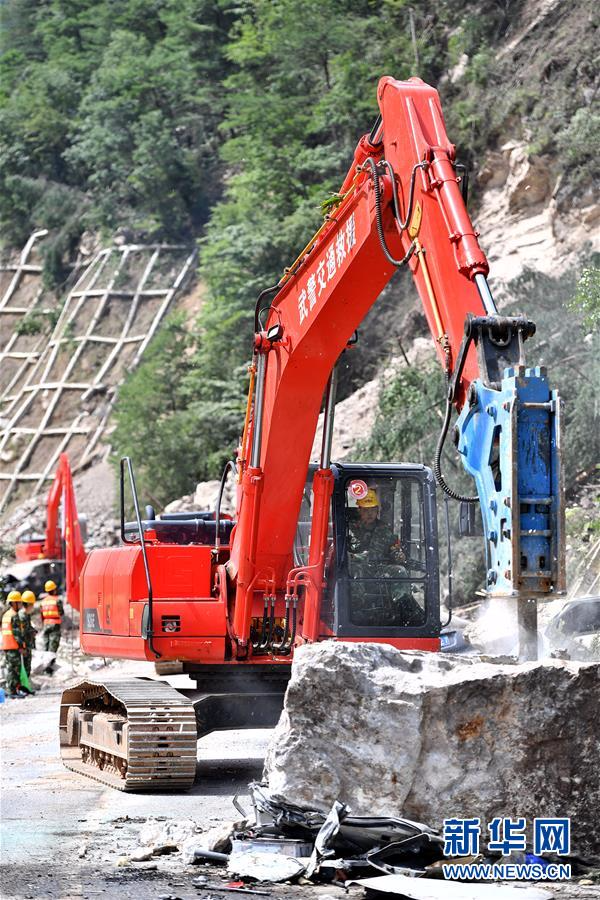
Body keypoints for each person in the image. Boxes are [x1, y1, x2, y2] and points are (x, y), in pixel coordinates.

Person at [2, 591, 27, 698]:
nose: (21, 605)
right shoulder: (14, 616)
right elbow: (16, 634)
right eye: (19, 603)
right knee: (15, 670)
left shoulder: (6, 615)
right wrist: (21, 647)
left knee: (10, 669)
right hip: (13, 646)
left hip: (6, 646)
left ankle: (11, 690)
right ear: (14, 603)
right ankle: (13, 691)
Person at [39, 580, 64, 669]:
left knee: (46, 645)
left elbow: (41, 616)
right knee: (53, 646)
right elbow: (61, 613)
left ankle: (44, 665)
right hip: (55, 624)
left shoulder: (43, 602)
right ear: (54, 590)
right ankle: (50, 666)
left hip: (46, 624)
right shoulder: (57, 600)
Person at [19, 590, 37, 693]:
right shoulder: (22, 616)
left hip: (27, 645)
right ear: (29, 604)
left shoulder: (26, 615)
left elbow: (27, 628)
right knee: (25, 667)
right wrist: (32, 632)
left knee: (27, 666)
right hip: (25, 645)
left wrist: (33, 630)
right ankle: (24, 688)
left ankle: (25, 688)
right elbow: (24, 631)